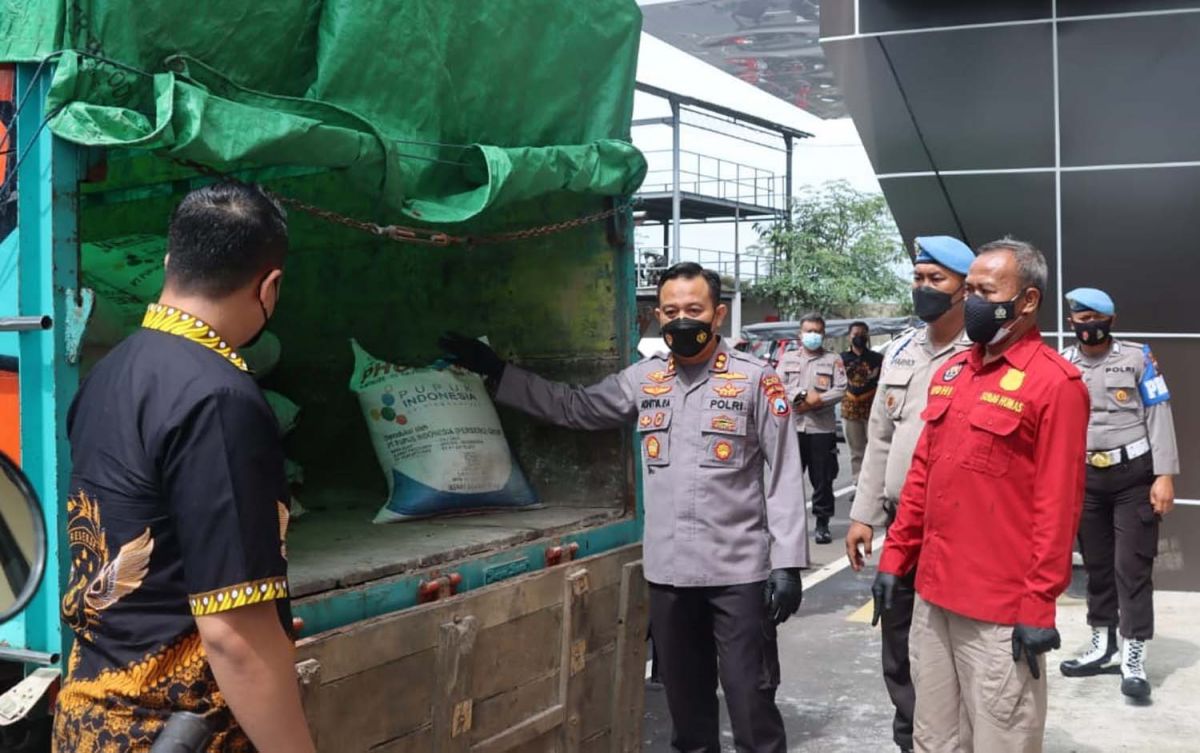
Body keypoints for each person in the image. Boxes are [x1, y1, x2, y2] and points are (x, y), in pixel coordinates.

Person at [440, 262, 807, 753]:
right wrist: (498, 372)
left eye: (694, 310)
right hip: (670, 576)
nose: (682, 320)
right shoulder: (644, 379)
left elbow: (783, 475)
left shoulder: (755, 381)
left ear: (717, 315)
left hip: (738, 575)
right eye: (671, 311)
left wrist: (786, 565)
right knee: (688, 716)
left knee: (752, 706)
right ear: (658, 315)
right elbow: (574, 407)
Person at [54, 183, 316, 753]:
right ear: (269, 287)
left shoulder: (111, 371)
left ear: (171, 261)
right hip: (166, 731)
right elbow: (235, 638)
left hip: (84, 720)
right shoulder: (221, 399)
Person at [871, 238, 1090, 753]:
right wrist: (896, 556)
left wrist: (1039, 606)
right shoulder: (953, 372)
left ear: (1028, 302)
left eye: (984, 291)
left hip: (999, 611)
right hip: (933, 596)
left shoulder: (1055, 384)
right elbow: (922, 474)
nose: (970, 301)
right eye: (967, 288)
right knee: (933, 738)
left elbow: (1058, 507)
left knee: (1000, 739)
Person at [845, 235, 973, 753]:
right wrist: (862, 516)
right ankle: (911, 739)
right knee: (897, 644)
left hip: (962, 532)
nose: (924, 288)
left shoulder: (986, 352)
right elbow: (879, 438)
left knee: (954, 648)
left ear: (966, 289)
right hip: (901, 527)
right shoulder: (900, 351)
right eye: (918, 279)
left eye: (936, 279)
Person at [1058, 288, 1178, 700]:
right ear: (1071, 322)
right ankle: (1102, 644)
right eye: (1080, 317)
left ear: (1111, 319)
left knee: (1133, 566)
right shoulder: (1063, 364)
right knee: (1096, 565)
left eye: (1096, 316)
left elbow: (1159, 413)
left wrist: (1164, 475)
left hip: (1133, 476)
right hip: (1085, 477)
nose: (1088, 324)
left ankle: (1134, 654)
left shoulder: (1137, 358)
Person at [778, 314, 846, 544]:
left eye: (817, 331)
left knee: (823, 480)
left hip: (821, 429)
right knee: (789, 479)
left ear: (823, 334)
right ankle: (790, 526)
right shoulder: (787, 358)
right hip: (793, 429)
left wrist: (818, 400)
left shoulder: (833, 359)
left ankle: (822, 524)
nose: (813, 335)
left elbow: (840, 389)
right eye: (809, 331)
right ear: (800, 334)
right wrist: (801, 397)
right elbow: (777, 386)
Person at [840, 321, 883, 483]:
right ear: (849, 336)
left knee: (876, 450)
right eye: (855, 334)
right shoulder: (841, 359)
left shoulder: (877, 359)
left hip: (873, 411)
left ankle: (875, 485)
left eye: (862, 334)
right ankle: (858, 485)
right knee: (856, 452)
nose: (859, 337)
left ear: (867, 336)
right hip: (850, 412)